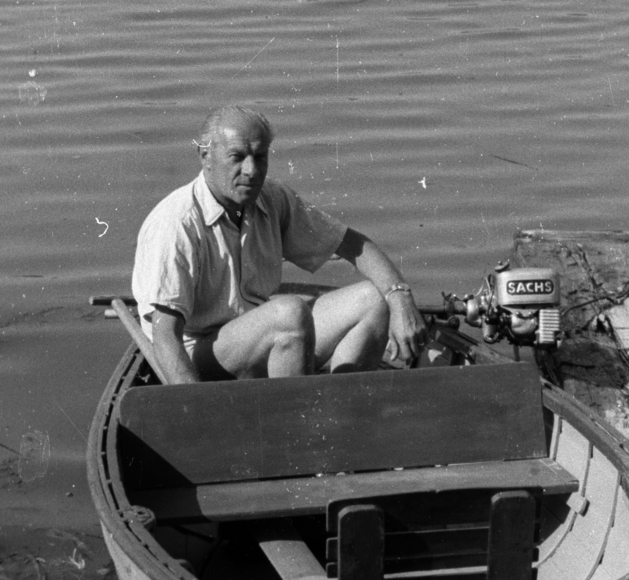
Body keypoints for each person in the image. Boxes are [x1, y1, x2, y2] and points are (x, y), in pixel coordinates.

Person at [132, 104, 428, 385]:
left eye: (259, 157)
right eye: (237, 157)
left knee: (374, 300)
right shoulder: (176, 222)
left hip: (261, 331)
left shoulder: (272, 198)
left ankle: (335, 409)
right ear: (205, 156)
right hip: (200, 356)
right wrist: (194, 406)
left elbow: (351, 243)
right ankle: (293, 421)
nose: (251, 170)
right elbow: (165, 336)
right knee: (288, 314)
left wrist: (399, 296)